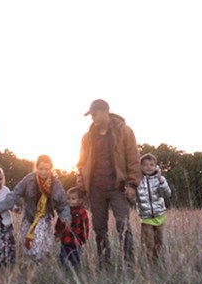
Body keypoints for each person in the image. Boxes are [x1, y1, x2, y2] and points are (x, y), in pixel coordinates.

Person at [76, 99, 140, 268]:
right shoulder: (87, 137)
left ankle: (129, 265)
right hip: (96, 189)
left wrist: (132, 184)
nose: (93, 118)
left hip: (118, 188)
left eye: (95, 114)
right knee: (99, 228)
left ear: (105, 111)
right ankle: (105, 264)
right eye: (91, 115)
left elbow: (133, 160)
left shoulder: (125, 132)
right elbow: (81, 164)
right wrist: (82, 187)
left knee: (123, 226)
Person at [0, 155, 70, 263]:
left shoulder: (55, 184)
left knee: (37, 246)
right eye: (40, 169)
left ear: (51, 169)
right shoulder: (29, 179)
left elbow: (63, 204)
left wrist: (66, 217)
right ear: (36, 167)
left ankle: (40, 263)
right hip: (29, 215)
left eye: (47, 169)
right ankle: (36, 266)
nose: (43, 172)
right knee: (25, 246)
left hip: (44, 216)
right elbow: (14, 194)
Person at [135, 153, 172, 264]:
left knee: (158, 241)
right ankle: (148, 262)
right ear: (141, 167)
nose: (148, 167)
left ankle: (156, 261)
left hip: (159, 215)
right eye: (145, 164)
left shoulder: (160, 179)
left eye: (151, 164)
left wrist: (161, 182)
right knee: (147, 241)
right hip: (146, 217)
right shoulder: (138, 181)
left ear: (156, 166)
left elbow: (167, 194)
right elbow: (133, 198)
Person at [55, 187, 90, 269]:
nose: (70, 201)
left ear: (80, 200)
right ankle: (65, 271)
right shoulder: (65, 211)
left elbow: (85, 226)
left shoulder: (82, 212)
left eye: (73, 199)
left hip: (76, 241)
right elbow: (59, 224)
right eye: (68, 198)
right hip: (65, 240)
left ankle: (76, 271)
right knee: (63, 257)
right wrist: (57, 234)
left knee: (75, 258)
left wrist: (84, 238)